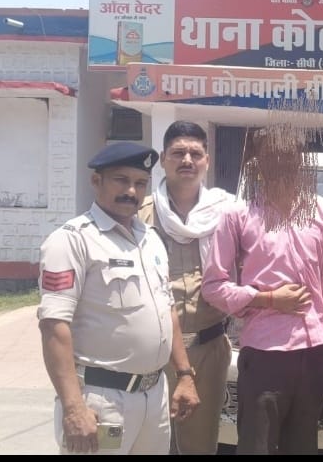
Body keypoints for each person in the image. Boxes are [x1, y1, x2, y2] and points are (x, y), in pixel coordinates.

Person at [37, 141, 200, 455]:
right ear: (96, 181)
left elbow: (167, 310)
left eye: (140, 183)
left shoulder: (150, 239)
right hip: (102, 400)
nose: (131, 191)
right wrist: (73, 408)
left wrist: (184, 374)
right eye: (121, 180)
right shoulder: (72, 241)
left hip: (154, 395)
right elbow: (54, 326)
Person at [201, 129, 323, 455]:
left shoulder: (321, 210)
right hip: (264, 352)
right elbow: (213, 286)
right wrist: (265, 298)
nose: (281, 163)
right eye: (272, 155)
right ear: (259, 162)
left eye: (289, 156)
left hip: (313, 352)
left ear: (300, 161)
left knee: (303, 446)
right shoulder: (238, 214)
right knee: (257, 446)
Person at [137, 121, 234, 455]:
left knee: (200, 445)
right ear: (163, 159)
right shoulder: (139, 216)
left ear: (207, 160)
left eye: (195, 153)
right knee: (150, 443)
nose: (187, 160)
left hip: (209, 346)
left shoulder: (227, 213)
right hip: (152, 348)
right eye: (178, 153)